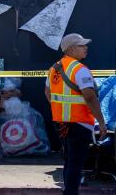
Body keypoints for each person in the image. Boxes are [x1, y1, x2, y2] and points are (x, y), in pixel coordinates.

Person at [44, 33, 107, 195]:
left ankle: (68, 191)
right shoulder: (79, 69)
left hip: (61, 123)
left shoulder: (54, 69)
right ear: (71, 49)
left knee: (69, 161)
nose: (86, 48)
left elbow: (47, 92)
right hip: (79, 123)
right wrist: (101, 122)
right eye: (82, 45)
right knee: (75, 163)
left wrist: (60, 109)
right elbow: (90, 97)